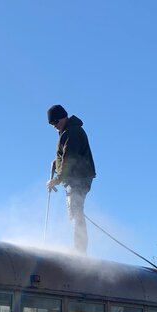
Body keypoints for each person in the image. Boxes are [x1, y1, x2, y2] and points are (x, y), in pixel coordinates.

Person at [46, 104, 96, 253]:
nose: (54, 126)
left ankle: (79, 250)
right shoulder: (67, 131)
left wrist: (56, 180)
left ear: (63, 117)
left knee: (75, 211)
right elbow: (66, 155)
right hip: (78, 177)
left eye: (56, 122)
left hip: (78, 178)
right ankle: (79, 248)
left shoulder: (71, 133)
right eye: (51, 124)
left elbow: (70, 159)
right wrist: (57, 162)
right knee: (75, 211)